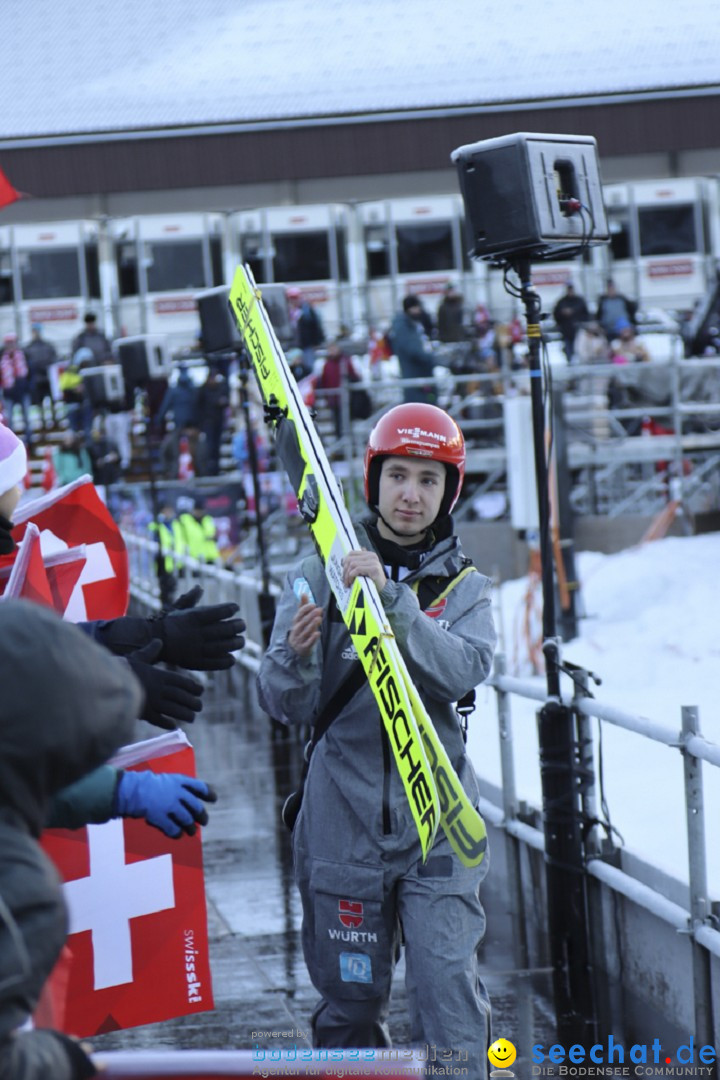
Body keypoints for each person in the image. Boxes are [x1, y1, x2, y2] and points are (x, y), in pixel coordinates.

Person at [257, 403, 496, 1065]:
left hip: (438, 826)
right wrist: (293, 658)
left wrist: (397, 603)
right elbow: (284, 702)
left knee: (449, 998)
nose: (411, 494)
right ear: (373, 480)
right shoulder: (316, 572)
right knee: (351, 1003)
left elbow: (465, 671)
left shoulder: (465, 589)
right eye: (398, 476)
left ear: (448, 492)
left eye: (428, 479)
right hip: (343, 827)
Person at [390, 295, 438, 404]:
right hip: (416, 377)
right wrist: (432, 358)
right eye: (417, 307)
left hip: (419, 377)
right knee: (420, 408)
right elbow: (414, 351)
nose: (419, 310)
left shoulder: (412, 324)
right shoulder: (404, 327)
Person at [316, 339, 366, 437]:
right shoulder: (327, 365)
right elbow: (325, 381)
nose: (332, 351)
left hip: (347, 398)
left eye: (334, 348)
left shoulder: (346, 361)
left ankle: (349, 442)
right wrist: (327, 398)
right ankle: (340, 442)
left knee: (347, 422)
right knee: (337, 423)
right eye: (330, 349)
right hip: (334, 399)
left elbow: (354, 376)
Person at [196, 365, 230, 475]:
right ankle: (208, 470)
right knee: (209, 447)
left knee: (216, 447)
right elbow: (199, 407)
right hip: (208, 422)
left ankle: (216, 470)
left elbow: (226, 401)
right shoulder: (203, 390)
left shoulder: (220, 388)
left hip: (218, 422)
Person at [23, 323, 58, 427]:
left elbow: (53, 359)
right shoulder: (28, 348)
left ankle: (54, 419)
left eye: (37, 331)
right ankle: (43, 421)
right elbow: (27, 364)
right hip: (37, 379)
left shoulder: (48, 345)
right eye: (34, 331)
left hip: (48, 378)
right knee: (39, 403)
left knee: (53, 401)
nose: (36, 333)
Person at [0, 332, 32, 443]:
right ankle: (11, 442)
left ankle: (29, 441)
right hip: (8, 392)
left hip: (23, 391)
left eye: (12, 342)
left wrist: (28, 387)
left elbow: (30, 372)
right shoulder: (2, 357)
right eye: (8, 343)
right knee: (10, 420)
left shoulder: (23, 355)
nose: (11, 345)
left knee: (27, 418)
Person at [287, 287, 325, 376]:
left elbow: (315, 326)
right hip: (293, 345)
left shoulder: (307, 310)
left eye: (295, 298)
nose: (293, 300)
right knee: (292, 367)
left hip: (307, 345)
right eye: (291, 298)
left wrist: (317, 342)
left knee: (309, 367)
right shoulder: (288, 311)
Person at [553, 283, 590, 363]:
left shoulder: (579, 301)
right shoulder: (561, 302)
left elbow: (586, 315)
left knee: (580, 348)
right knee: (568, 349)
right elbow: (556, 315)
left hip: (579, 330)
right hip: (566, 330)